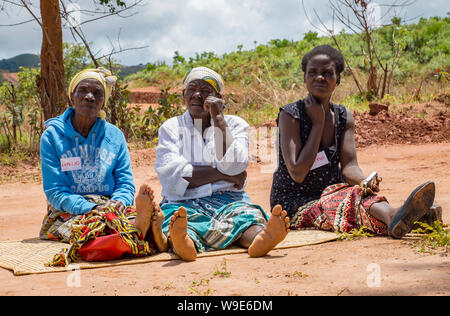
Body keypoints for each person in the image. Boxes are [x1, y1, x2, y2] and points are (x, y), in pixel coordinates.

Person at [270, 45, 438, 239]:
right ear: (305, 78)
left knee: (360, 196)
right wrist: (318, 123)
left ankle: (405, 220)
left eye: (327, 73)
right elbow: (297, 173)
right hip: (294, 202)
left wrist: (363, 182)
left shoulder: (343, 116)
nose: (319, 78)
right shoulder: (291, 115)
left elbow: (349, 166)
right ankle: (396, 216)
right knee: (347, 201)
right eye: (313, 73)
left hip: (334, 193)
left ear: (338, 79)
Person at [150, 66, 289, 261]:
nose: (197, 95)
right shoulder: (171, 127)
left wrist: (218, 119)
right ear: (184, 95)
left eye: (206, 91)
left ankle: (261, 238)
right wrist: (225, 175)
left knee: (245, 218)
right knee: (179, 222)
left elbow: (236, 164)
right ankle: (184, 244)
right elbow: (173, 176)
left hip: (229, 199)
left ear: (218, 99)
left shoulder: (235, 124)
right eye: (192, 89)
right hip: (183, 201)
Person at [39, 67, 168, 265]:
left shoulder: (114, 136)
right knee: (90, 229)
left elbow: (125, 183)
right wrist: (92, 208)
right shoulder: (52, 136)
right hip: (70, 209)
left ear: (103, 102)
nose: (89, 97)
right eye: (83, 91)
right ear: (72, 96)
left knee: (119, 219)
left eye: (97, 93)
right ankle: (139, 232)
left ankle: (140, 228)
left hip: (112, 205)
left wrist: (119, 202)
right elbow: (55, 191)